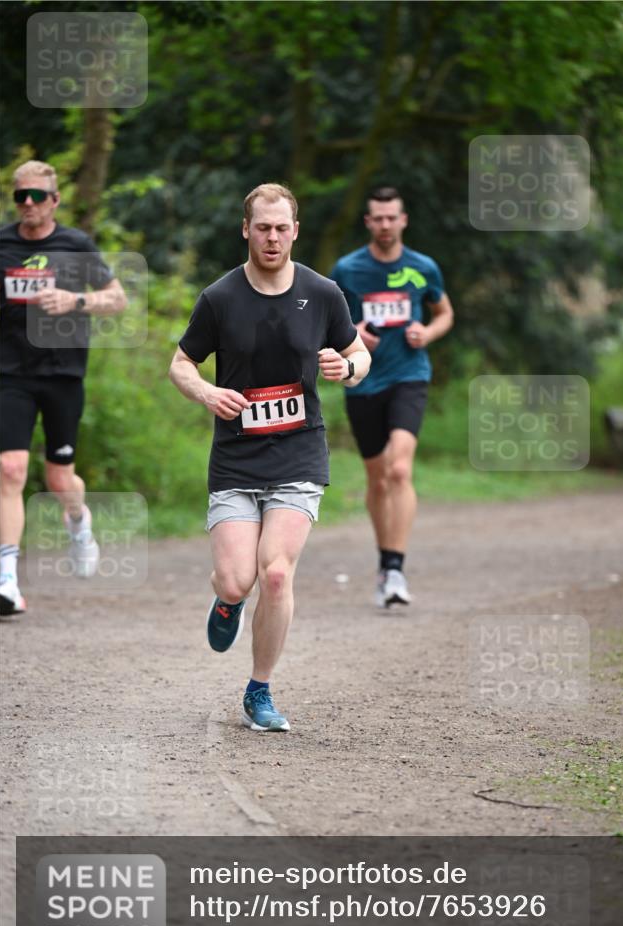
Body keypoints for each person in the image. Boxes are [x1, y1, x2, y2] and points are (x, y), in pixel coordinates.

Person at [169, 183, 370, 733]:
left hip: (299, 453)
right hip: (235, 459)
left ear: (295, 231)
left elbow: (358, 353)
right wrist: (207, 393)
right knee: (236, 581)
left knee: (276, 575)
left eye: (282, 228)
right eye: (263, 228)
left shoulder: (323, 293)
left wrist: (347, 369)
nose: (273, 237)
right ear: (246, 230)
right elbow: (181, 364)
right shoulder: (220, 298)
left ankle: (259, 690)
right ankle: (228, 602)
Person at [0, 159, 127, 617]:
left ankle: (78, 520)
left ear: (54, 201)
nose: (28, 204)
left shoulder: (75, 245)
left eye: (37, 196)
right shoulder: (1, 244)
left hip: (64, 374)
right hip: (12, 372)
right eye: (20, 196)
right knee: (10, 469)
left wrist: (76, 299)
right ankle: (7, 579)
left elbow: (118, 298)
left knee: (57, 479)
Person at [330, 186, 454, 609]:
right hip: (363, 381)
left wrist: (428, 333)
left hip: (409, 375)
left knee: (399, 470)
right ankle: (385, 565)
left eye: (392, 217)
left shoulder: (423, 267)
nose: (385, 224)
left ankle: (395, 567)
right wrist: (353, 336)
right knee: (377, 478)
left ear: (403, 220)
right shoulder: (347, 270)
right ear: (369, 223)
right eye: (377, 218)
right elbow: (329, 322)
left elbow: (444, 313)